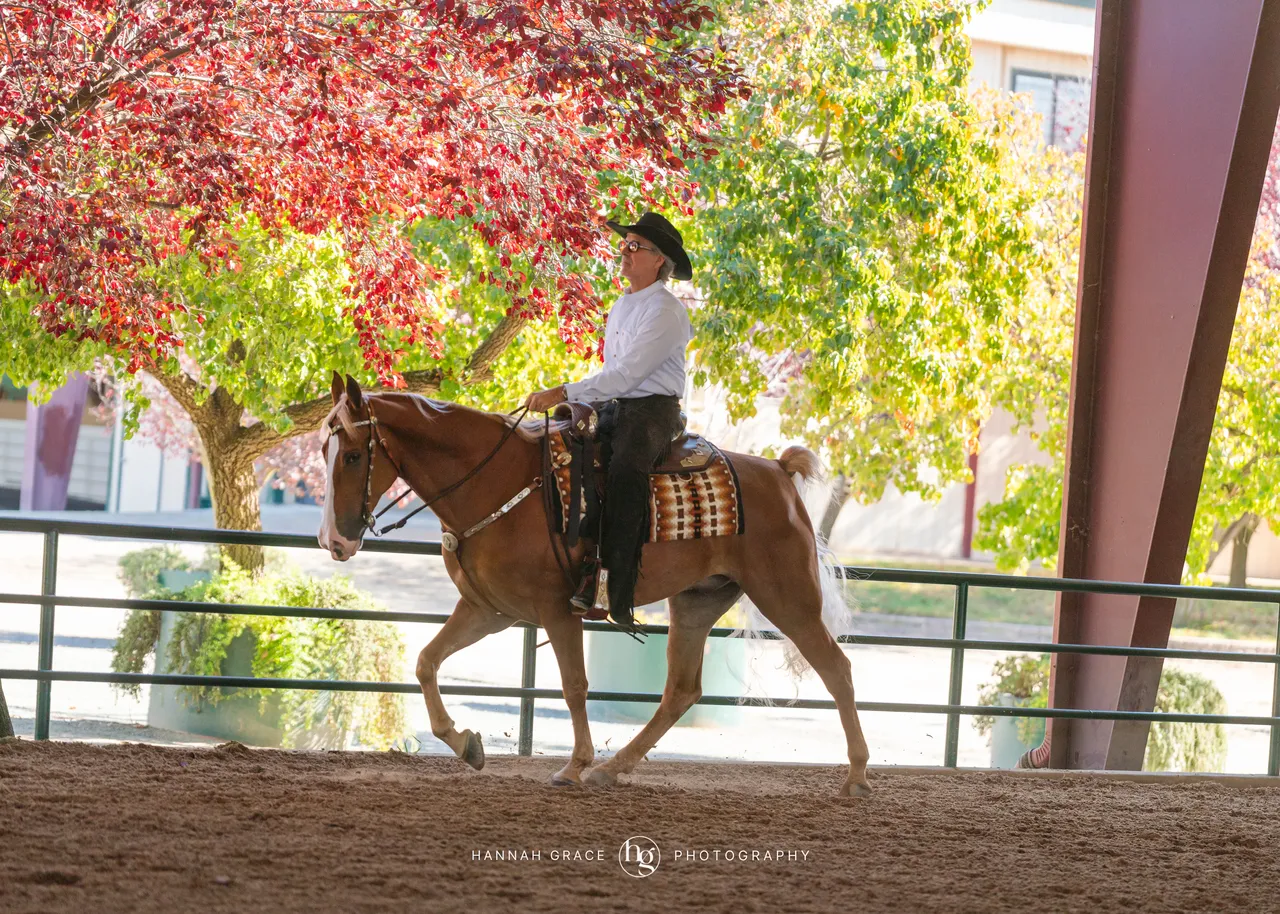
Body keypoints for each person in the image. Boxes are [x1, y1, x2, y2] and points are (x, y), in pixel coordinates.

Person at [524, 212, 694, 626]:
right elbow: (616, 377)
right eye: (625, 244)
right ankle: (571, 563)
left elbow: (627, 374)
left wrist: (562, 392)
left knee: (624, 470)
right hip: (619, 405)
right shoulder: (622, 305)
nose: (625, 252)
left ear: (659, 260)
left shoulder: (667, 312)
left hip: (654, 410)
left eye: (635, 246)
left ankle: (615, 590)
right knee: (567, 454)